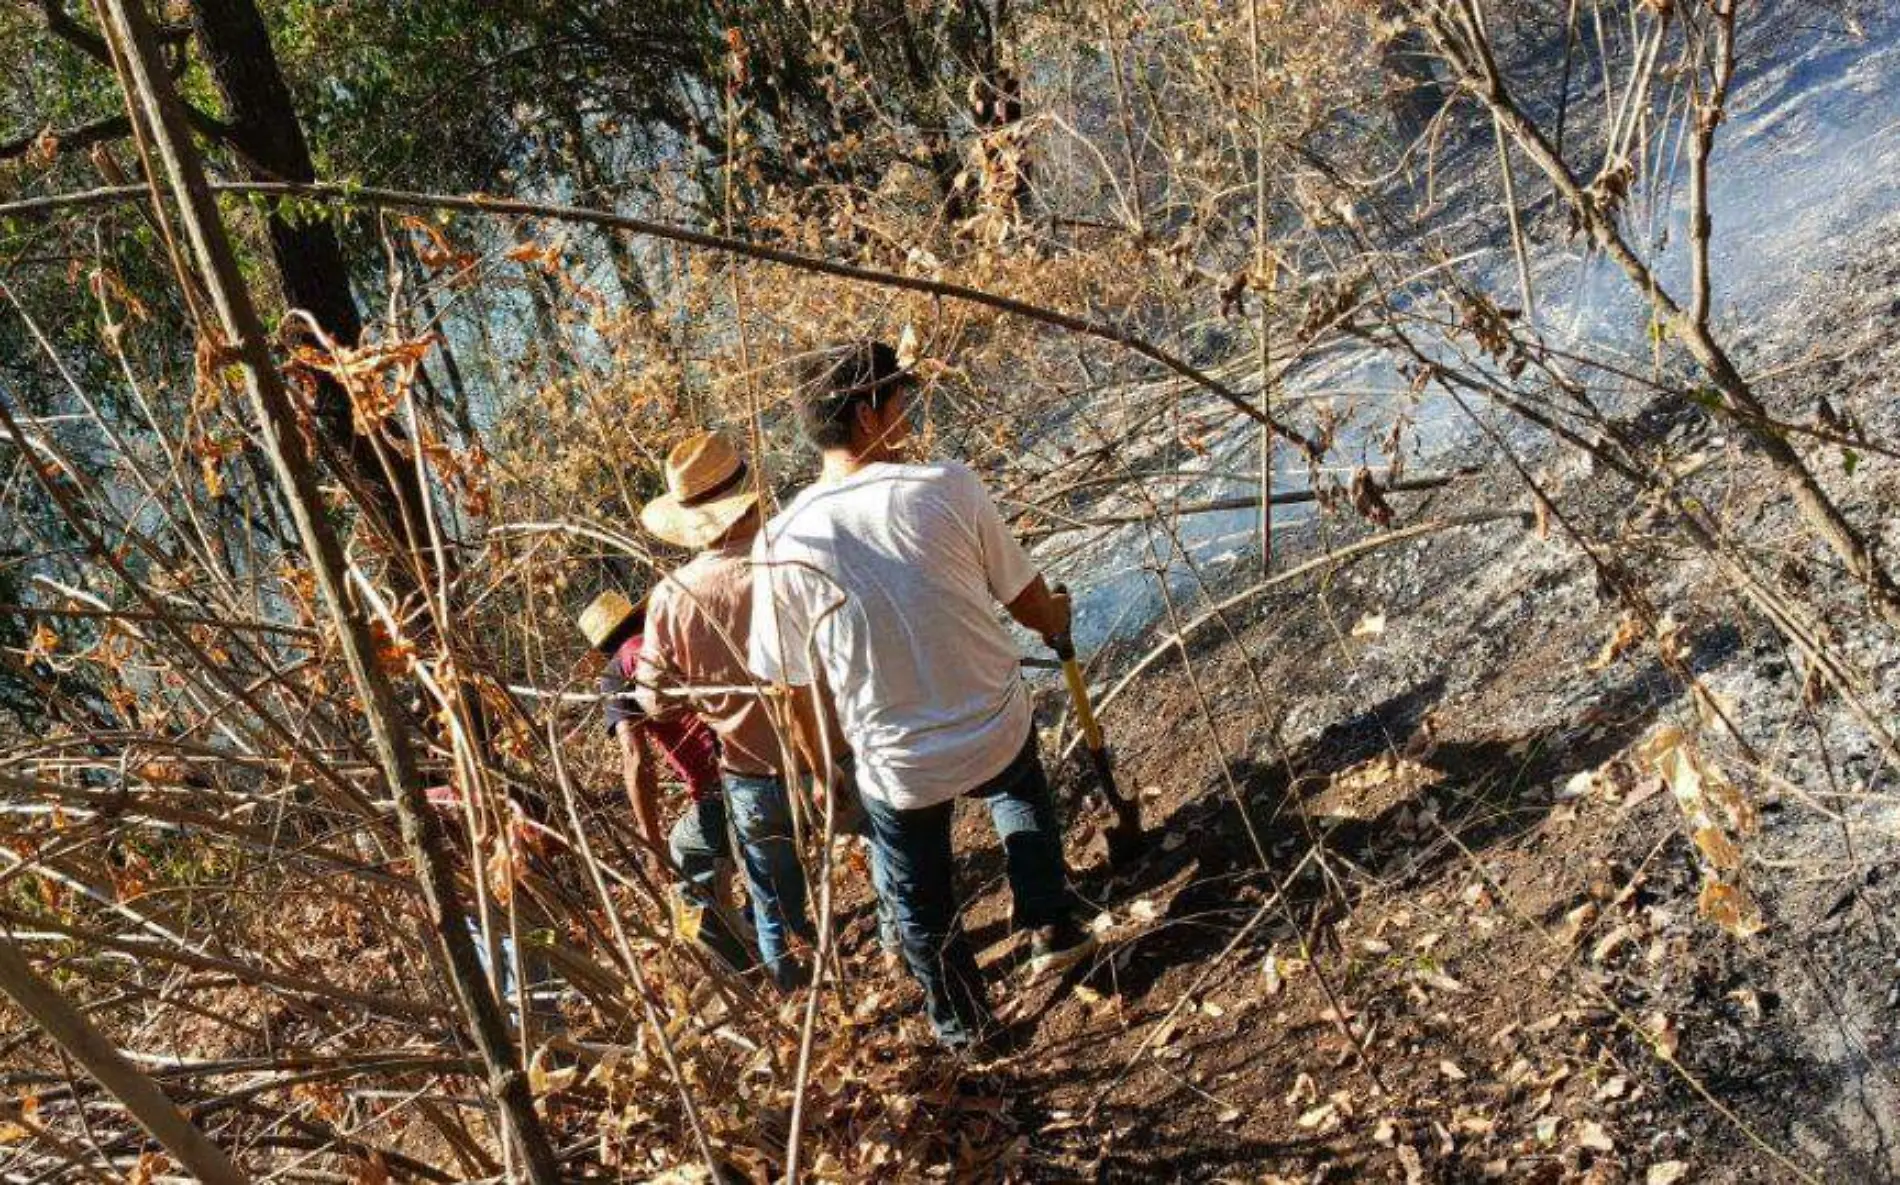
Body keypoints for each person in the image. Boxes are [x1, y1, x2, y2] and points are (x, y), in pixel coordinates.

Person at [748, 339, 1097, 1051]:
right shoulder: (949, 484)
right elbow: (1029, 603)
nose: (908, 409)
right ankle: (1051, 916)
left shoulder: (782, 540)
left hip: (898, 767)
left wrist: (824, 770)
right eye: (899, 397)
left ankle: (962, 1024)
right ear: (867, 410)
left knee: (920, 895)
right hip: (995, 721)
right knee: (1019, 784)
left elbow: (791, 688)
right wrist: (1057, 617)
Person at [631, 431, 821, 990]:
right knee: (886, 848)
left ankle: (793, 991)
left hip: (752, 771)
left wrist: (706, 689)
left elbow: (655, 701)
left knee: (770, 893)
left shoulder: (672, 597)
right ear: (752, 497)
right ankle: (904, 953)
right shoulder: (792, 558)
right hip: (834, 750)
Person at [578, 589, 753, 977]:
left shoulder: (617, 674)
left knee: (683, 871)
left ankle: (738, 969)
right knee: (728, 856)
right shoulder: (671, 634)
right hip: (756, 752)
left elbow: (635, 759)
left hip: (716, 783)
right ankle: (752, 929)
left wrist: (649, 837)